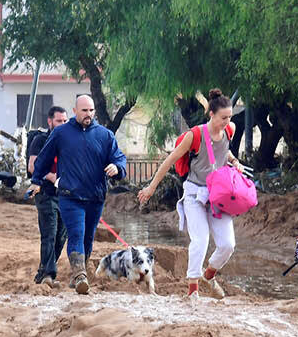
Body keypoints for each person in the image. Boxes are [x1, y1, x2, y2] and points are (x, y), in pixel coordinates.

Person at [137, 89, 245, 299]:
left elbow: (224, 151)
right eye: (223, 117)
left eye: (230, 117)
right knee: (200, 240)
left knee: (228, 245)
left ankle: (209, 274)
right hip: (195, 194)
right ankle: (193, 291)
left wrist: (234, 161)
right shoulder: (194, 135)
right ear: (211, 114)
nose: (228, 121)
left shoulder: (229, 130)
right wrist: (151, 188)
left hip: (218, 196)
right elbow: (169, 161)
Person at [29, 95, 127, 294]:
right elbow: (44, 158)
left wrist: (117, 168)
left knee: (88, 237)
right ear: (75, 111)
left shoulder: (105, 135)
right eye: (84, 111)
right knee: (76, 233)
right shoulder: (61, 133)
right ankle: (80, 274)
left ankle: (78, 274)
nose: (88, 114)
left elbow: (119, 158)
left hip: (95, 197)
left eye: (91, 110)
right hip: (69, 196)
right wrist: (36, 180)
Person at [28, 106, 69, 286]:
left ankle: (43, 273)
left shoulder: (68, 141)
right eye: (59, 121)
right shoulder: (40, 140)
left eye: (65, 121)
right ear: (50, 121)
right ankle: (48, 275)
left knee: (61, 236)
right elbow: (32, 166)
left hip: (65, 195)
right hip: (45, 193)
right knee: (49, 233)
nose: (62, 124)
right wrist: (51, 177)